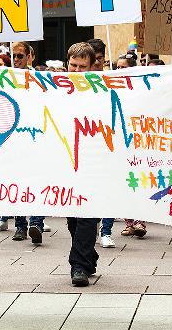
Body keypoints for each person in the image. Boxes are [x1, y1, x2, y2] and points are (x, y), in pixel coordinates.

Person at [65, 42, 100, 287]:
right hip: (65, 161)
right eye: (73, 65)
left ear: (91, 67)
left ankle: (78, 265)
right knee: (72, 218)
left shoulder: (102, 89)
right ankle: (88, 256)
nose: (76, 71)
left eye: (82, 67)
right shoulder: (55, 88)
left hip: (93, 160)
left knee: (87, 214)